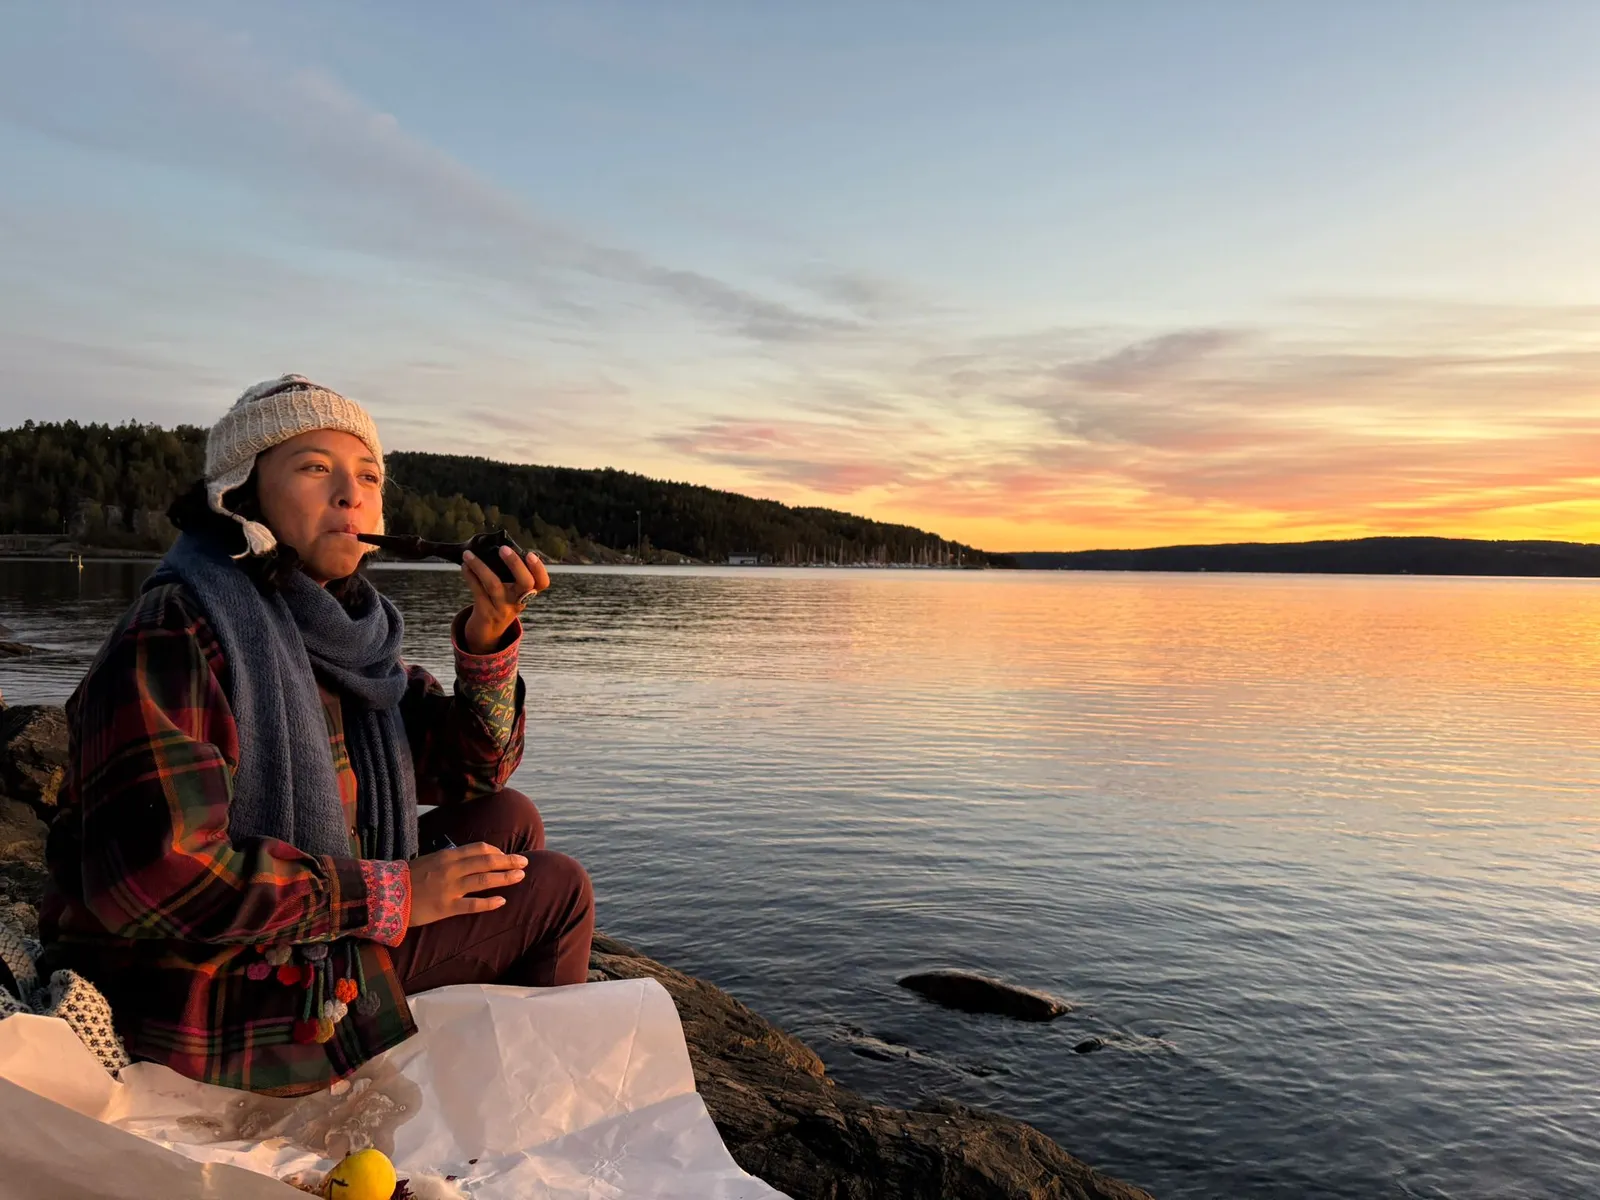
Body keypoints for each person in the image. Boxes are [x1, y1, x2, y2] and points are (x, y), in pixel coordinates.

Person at [39, 375, 595, 1097]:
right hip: (195, 985)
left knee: (508, 818)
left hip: (283, 934)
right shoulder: (180, 627)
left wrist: (490, 635)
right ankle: (533, 1116)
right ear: (240, 493)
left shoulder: (345, 635)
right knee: (557, 891)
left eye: (368, 477)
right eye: (313, 468)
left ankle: (449, 1053)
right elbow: (152, 880)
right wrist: (391, 895)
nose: (350, 495)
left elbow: (473, 773)